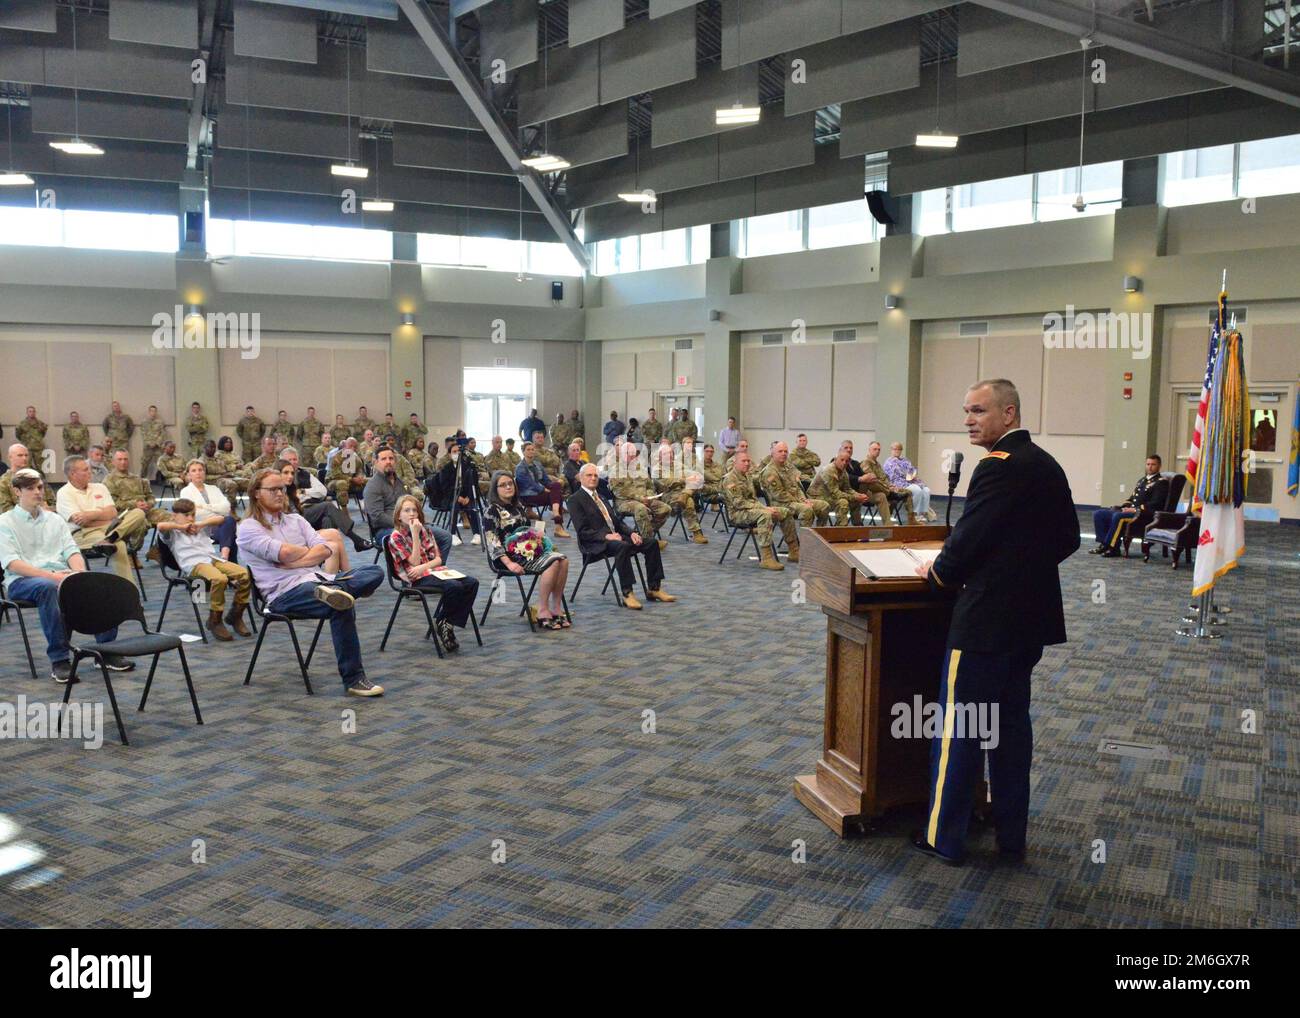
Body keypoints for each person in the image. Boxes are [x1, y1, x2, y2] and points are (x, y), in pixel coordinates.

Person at [911, 379, 1080, 867]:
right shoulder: (1045, 463)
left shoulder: (996, 468)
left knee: (960, 728)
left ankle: (944, 838)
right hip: (1029, 623)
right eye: (966, 410)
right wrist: (1021, 570)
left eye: (979, 410)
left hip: (984, 624)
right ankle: (1011, 838)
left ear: (1009, 413)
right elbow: (1068, 537)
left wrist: (939, 573)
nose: (969, 419)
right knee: (1009, 732)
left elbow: (968, 541)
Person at [237, 468, 385, 697]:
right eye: (273, 489)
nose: (280, 493)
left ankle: (336, 591)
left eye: (282, 489)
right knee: (341, 605)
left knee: (374, 571)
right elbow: (284, 552)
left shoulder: (296, 520)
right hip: (284, 594)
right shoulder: (248, 527)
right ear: (256, 493)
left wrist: (297, 561)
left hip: (319, 580)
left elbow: (327, 549)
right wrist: (308, 553)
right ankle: (354, 679)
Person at [0, 469, 131, 682]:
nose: (37, 492)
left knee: (96, 582)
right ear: (17, 491)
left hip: (60, 575)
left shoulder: (55, 520)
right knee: (48, 588)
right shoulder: (5, 522)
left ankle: (105, 651)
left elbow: (71, 551)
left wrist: (80, 574)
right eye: (30, 488)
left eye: (40, 487)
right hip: (22, 581)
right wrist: (53, 577)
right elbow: (13, 564)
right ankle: (59, 660)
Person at [567, 462, 674, 610]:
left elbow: (617, 523)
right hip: (595, 542)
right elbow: (583, 531)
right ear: (581, 478)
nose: (593, 478)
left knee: (651, 543)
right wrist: (606, 536)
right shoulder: (575, 500)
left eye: (596, 475)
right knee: (622, 546)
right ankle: (627, 593)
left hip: (616, 536)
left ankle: (654, 588)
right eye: (589, 475)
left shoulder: (602, 497)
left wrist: (632, 533)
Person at [387, 494, 480, 650]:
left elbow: (438, 559)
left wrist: (423, 567)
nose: (411, 514)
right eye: (406, 510)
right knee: (454, 586)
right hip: (415, 579)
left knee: (472, 583)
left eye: (414, 510)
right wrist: (415, 535)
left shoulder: (425, 530)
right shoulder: (395, 538)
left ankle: (445, 622)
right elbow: (414, 562)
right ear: (398, 516)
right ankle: (445, 623)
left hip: (431, 571)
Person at [484, 470, 570, 631]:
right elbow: (492, 542)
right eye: (503, 485)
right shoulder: (491, 511)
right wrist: (509, 563)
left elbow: (527, 530)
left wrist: (539, 537)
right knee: (552, 563)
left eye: (510, 484)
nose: (508, 487)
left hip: (528, 551)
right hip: (508, 557)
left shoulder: (518, 506)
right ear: (495, 489)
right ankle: (542, 610)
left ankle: (556, 607)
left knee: (563, 560)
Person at [156, 498, 252, 641]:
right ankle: (215, 619)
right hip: (194, 564)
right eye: (186, 515)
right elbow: (160, 526)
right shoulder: (172, 533)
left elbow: (223, 519)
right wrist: (182, 527)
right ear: (175, 515)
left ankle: (235, 615)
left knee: (244, 574)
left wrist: (201, 523)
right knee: (219, 579)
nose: (190, 518)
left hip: (212, 559)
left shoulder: (198, 525)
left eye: (193, 514)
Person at [55, 455, 148, 580]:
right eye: (85, 469)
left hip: (109, 528)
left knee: (138, 513)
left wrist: (90, 515)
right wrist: (103, 514)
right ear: (72, 474)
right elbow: (82, 523)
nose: (90, 472)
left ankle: (110, 537)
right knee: (119, 545)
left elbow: (113, 513)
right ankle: (129, 591)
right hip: (83, 534)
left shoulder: (100, 487)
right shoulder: (64, 493)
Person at [278, 451, 374, 553]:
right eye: (290, 460)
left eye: (295, 459)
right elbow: (290, 503)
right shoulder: (279, 480)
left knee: (327, 520)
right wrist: (305, 496)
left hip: (312, 508)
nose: (293, 462)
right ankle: (356, 539)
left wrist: (303, 492)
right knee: (327, 506)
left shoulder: (305, 473)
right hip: (296, 515)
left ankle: (328, 560)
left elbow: (322, 491)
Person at [722, 451, 798, 569]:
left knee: (785, 512)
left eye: (748, 461)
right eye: (743, 461)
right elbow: (739, 503)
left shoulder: (747, 476)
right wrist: (764, 508)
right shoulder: (729, 479)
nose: (747, 463)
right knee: (765, 515)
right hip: (737, 513)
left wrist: (765, 507)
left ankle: (793, 550)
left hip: (751, 509)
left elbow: (753, 499)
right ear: (735, 463)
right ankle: (766, 558)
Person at [1090, 454, 1169, 558]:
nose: (1150, 467)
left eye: (1153, 464)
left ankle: (1113, 548)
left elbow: (1156, 503)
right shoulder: (1142, 480)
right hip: (1132, 511)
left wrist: (1134, 509)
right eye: (1148, 464)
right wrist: (1124, 507)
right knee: (1099, 514)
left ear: (1159, 466)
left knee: (1118, 517)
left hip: (1144, 514)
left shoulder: (1161, 483)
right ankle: (1104, 544)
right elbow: (1132, 498)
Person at [609, 442, 669, 549]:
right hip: (624, 502)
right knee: (640, 508)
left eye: (633, 453)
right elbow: (619, 492)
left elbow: (650, 485)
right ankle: (650, 542)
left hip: (645, 499)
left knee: (665, 509)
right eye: (629, 453)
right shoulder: (616, 469)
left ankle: (643, 534)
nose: (632, 456)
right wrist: (640, 499)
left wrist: (649, 496)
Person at [177, 458, 239, 560]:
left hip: (219, 528)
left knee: (229, 521)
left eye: (200, 470)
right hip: (199, 528)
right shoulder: (186, 492)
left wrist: (204, 506)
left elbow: (226, 508)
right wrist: (216, 514)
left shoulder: (214, 489)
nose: (198, 473)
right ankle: (230, 563)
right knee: (230, 529)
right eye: (194, 470)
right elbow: (195, 514)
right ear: (189, 475)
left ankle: (224, 557)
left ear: (204, 472)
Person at [760, 441, 830, 527]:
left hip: (795, 501)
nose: (783, 453)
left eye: (785, 451)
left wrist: (803, 500)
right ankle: (805, 538)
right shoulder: (769, 471)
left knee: (824, 506)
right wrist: (801, 502)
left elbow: (798, 487)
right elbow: (779, 495)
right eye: (780, 451)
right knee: (807, 509)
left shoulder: (788, 467)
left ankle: (819, 535)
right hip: (781, 504)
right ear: (773, 453)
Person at [514, 441, 570, 538]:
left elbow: (546, 480)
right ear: (523, 452)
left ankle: (556, 514)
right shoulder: (520, 468)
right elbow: (530, 484)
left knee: (556, 485)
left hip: (540, 493)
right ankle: (558, 526)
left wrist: (551, 486)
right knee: (557, 497)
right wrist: (544, 490)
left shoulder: (538, 464)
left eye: (532, 449)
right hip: (527, 496)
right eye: (528, 450)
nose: (531, 451)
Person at [808, 450, 868, 525]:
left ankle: (856, 527)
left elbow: (848, 489)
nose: (844, 463)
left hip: (829, 496)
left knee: (855, 501)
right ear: (835, 459)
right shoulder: (829, 470)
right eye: (842, 460)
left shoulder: (843, 472)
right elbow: (836, 493)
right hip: (817, 497)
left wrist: (858, 495)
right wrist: (855, 497)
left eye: (846, 461)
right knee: (843, 502)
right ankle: (837, 530)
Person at [884, 442, 937, 522]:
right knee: (917, 490)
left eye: (899, 449)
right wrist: (906, 475)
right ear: (891, 450)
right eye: (895, 449)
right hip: (898, 483)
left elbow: (912, 469)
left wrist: (913, 474)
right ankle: (914, 514)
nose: (897, 451)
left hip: (910, 481)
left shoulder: (905, 460)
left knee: (926, 490)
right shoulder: (889, 462)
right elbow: (893, 475)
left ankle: (922, 513)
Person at [0, 444, 56, 514]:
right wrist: (34, 512)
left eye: (26, 455)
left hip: (45, 518)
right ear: (10, 457)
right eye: (20, 455)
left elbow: (53, 501)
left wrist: (50, 509)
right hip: (19, 521)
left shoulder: (37, 476)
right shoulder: (3, 481)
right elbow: (6, 509)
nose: (24, 458)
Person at [139, 405, 168, 481]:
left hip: (157, 447)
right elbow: (143, 434)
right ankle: (141, 480)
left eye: (154, 411)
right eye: (151, 411)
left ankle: (161, 480)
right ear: (149, 412)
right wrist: (149, 443)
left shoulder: (160, 422)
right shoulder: (144, 422)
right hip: (148, 447)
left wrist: (156, 442)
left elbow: (163, 434)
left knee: (160, 463)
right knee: (144, 464)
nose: (153, 413)